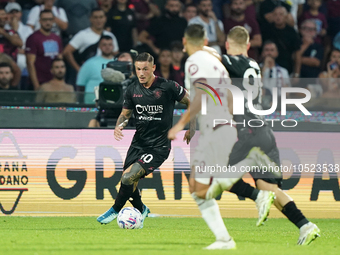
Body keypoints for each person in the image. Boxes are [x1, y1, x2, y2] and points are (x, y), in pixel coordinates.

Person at [168, 24, 276, 250]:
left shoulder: (194, 61)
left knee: (203, 186)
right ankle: (224, 239)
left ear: (185, 41)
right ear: (206, 40)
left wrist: (179, 124)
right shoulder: (216, 64)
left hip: (216, 130)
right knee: (195, 189)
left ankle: (256, 194)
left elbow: (201, 95)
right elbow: (228, 94)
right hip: (220, 127)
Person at [218, 26, 320, 245]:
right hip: (263, 131)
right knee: (269, 187)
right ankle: (305, 225)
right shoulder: (255, 65)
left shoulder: (233, 62)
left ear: (228, 46)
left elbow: (214, 58)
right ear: (248, 46)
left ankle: (257, 197)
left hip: (248, 132)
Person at [97, 52, 192, 228]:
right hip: (138, 143)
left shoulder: (168, 86)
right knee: (128, 181)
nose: (141, 73)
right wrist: (120, 125)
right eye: (138, 69)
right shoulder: (132, 89)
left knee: (127, 178)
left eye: (145, 69)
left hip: (159, 146)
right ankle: (142, 209)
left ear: (153, 68)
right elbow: (125, 114)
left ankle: (115, 209)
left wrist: (191, 127)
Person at [63, 8, 119, 74]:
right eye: (95, 17)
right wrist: (79, 69)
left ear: (105, 18)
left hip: (106, 73)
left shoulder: (110, 35)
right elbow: (67, 51)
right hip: (89, 73)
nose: (98, 20)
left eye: (101, 17)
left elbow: (116, 54)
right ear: (90, 19)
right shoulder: (82, 34)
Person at [26, 9, 63, 91]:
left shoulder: (57, 38)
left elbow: (60, 60)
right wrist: (36, 85)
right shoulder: (33, 38)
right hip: (40, 81)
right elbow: (30, 63)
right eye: (45, 20)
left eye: (50, 19)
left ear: (54, 21)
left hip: (54, 82)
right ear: (39, 21)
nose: (48, 22)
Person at [261, 6, 301, 75]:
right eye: (275, 14)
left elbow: (297, 53)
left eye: (281, 14)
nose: (278, 17)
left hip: (287, 67)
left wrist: (297, 73)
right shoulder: (266, 30)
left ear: (286, 17)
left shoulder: (292, 32)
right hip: (268, 67)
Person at [76, 35, 116, 104]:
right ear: (99, 47)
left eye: (110, 44)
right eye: (104, 45)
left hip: (113, 103)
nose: (107, 47)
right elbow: (80, 86)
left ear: (113, 46)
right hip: (90, 104)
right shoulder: (89, 63)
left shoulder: (118, 63)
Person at [5, 2, 33, 90]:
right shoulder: (3, 29)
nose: (14, 15)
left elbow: (31, 49)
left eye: (16, 12)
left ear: (21, 13)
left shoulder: (27, 30)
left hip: (24, 66)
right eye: (11, 12)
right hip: (6, 66)